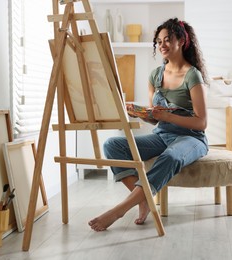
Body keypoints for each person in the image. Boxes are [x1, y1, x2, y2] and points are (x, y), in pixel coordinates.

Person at [88, 18, 209, 231]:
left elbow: (201, 122)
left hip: (191, 137)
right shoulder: (155, 75)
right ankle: (143, 200)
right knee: (112, 145)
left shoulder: (192, 75)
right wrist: (140, 113)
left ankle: (120, 209)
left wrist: (168, 117)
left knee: (171, 156)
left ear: (181, 41)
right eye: (159, 41)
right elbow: (156, 117)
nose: (161, 45)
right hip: (162, 134)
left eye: (167, 40)